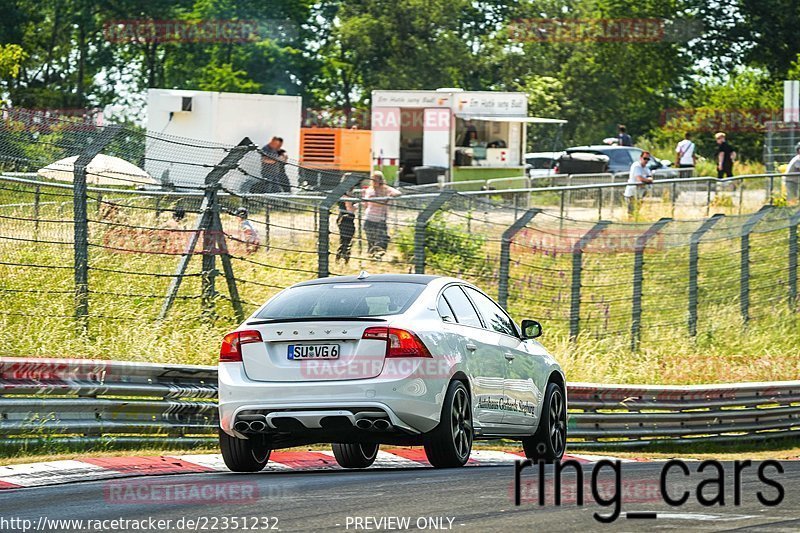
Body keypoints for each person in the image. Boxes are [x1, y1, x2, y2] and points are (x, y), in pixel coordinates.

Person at [363, 170, 401, 259]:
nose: (375, 181)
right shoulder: (370, 190)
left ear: (381, 180)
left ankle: (378, 256)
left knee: (382, 240)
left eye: (377, 179)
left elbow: (397, 193)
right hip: (370, 219)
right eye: (373, 179)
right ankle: (371, 258)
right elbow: (374, 202)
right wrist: (386, 200)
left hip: (381, 219)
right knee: (371, 241)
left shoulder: (385, 188)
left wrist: (390, 195)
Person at [336, 175, 358, 264]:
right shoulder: (346, 195)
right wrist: (357, 206)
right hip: (346, 219)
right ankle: (342, 259)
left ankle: (341, 260)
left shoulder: (343, 193)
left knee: (344, 241)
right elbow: (350, 209)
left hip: (344, 218)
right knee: (346, 242)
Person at [624, 151, 654, 216]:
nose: (646, 160)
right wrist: (647, 180)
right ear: (640, 158)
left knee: (637, 211)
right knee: (631, 212)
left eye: (648, 159)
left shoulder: (646, 168)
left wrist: (648, 180)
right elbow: (639, 178)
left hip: (640, 193)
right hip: (631, 193)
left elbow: (650, 177)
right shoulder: (636, 166)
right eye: (645, 158)